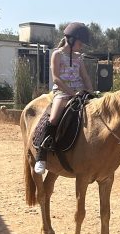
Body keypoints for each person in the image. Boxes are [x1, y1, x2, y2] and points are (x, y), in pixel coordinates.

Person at [34, 22, 95, 174]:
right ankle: (41, 155)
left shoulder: (78, 58)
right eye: (80, 43)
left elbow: (85, 76)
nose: (82, 46)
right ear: (71, 40)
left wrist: (90, 91)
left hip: (79, 91)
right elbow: (56, 78)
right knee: (54, 118)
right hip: (62, 92)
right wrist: (70, 92)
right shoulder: (57, 54)